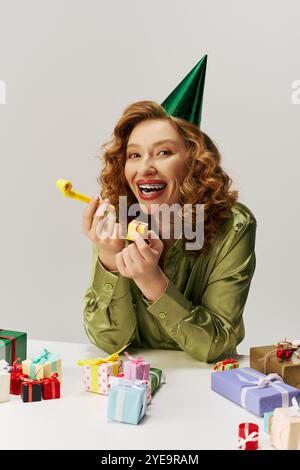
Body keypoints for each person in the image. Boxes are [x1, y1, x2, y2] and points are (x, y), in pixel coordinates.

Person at [82, 57, 257, 363]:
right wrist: (110, 260)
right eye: (134, 155)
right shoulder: (119, 219)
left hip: (205, 384)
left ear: (194, 161)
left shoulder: (234, 225)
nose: (145, 167)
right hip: (137, 378)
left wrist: (151, 280)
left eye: (163, 152)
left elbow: (216, 344)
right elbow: (110, 342)